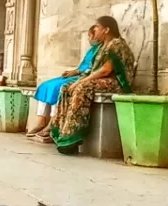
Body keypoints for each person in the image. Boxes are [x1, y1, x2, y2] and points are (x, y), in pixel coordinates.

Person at [47, 16, 136, 152]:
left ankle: (74, 135)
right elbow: (92, 70)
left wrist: (81, 82)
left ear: (106, 30)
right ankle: (62, 132)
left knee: (83, 87)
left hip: (116, 82)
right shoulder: (101, 46)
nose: (95, 31)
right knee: (65, 87)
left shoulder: (116, 44)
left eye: (97, 28)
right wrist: (77, 80)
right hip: (102, 80)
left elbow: (106, 70)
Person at [27, 30, 101, 135]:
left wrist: (76, 72)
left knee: (58, 87)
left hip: (85, 77)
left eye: (91, 36)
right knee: (46, 85)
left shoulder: (102, 50)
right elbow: (83, 66)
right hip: (78, 74)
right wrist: (74, 71)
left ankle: (53, 123)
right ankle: (41, 121)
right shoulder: (91, 50)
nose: (89, 39)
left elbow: (93, 68)